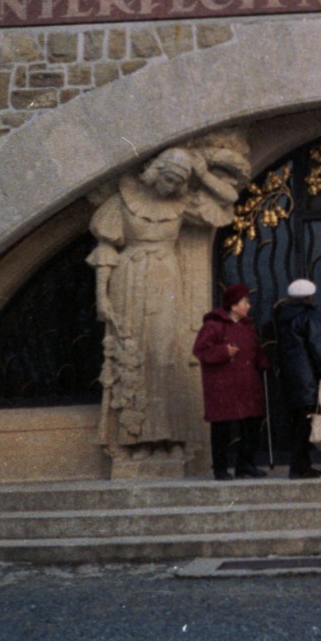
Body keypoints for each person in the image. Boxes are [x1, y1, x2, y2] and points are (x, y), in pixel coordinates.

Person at [87, 141, 246, 470]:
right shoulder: (123, 202)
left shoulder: (180, 203)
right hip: (130, 279)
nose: (172, 186)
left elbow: (228, 199)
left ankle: (167, 438)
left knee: (164, 356)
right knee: (134, 353)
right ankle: (133, 442)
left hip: (165, 278)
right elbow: (106, 251)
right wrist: (102, 295)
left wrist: (200, 170)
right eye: (168, 178)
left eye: (178, 181)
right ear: (153, 173)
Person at [192, 283, 270, 480]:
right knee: (222, 428)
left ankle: (245, 465)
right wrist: (223, 352)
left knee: (251, 425)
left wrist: (263, 361)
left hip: (247, 384)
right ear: (233, 305)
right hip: (222, 386)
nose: (248, 306)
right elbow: (200, 350)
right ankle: (220, 468)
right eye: (245, 302)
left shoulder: (247, 326)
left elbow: (255, 350)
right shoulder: (213, 325)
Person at [271, 279, 321, 479]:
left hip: (290, 377)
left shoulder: (283, 317)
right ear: (310, 296)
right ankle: (299, 467)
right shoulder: (309, 316)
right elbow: (316, 345)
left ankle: (302, 464)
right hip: (307, 376)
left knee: (298, 421)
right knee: (305, 422)